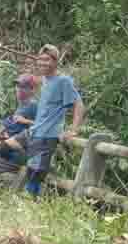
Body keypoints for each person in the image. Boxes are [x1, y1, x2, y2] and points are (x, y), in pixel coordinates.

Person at [21, 45, 84, 196]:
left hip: (49, 134)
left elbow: (79, 105)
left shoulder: (63, 81)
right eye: (40, 59)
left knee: (37, 171)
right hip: (37, 131)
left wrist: (73, 130)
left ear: (55, 61)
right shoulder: (44, 80)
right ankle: (29, 203)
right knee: (31, 168)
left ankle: (29, 206)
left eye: (47, 60)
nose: (42, 63)